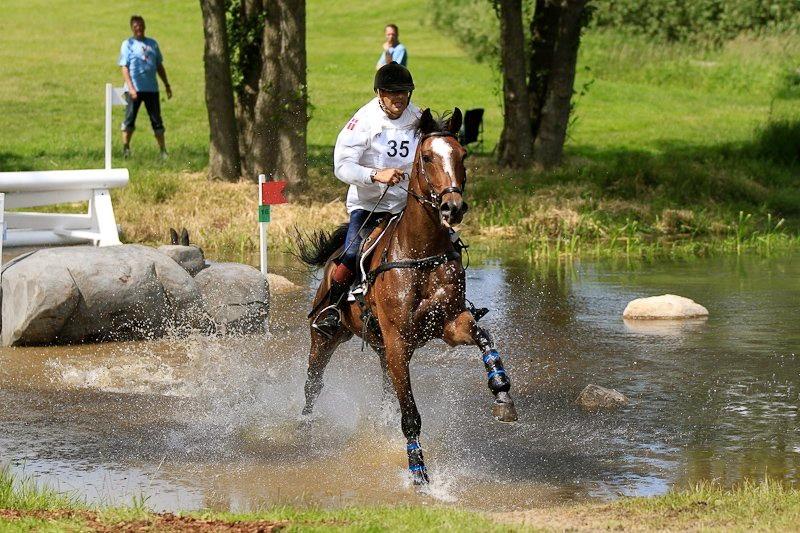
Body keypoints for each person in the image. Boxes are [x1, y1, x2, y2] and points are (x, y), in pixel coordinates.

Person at [313, 62, 420, 338]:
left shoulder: (418, 118)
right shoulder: (363, 121)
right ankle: (332, 309)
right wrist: (376, 175)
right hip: (371, 206)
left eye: (404, 92)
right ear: (379, 94)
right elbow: (342, 166)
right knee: (351, 252)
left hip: (409, 206)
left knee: (449, 242)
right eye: (392, 92)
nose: (399, 99)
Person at [118, 15, 173, 159]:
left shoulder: (153, 44)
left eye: (141, 26)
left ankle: (163, 150)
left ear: (144, 26)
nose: (139, 29)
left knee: (156, 120)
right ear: (132, 28)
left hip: (152, 89)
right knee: (129, 119)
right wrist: (130, 88)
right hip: (134, 90)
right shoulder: (127, 44)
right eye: (136, 26)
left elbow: (159, 66)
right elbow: (124, 68)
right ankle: (126, 148)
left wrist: (166, 84)